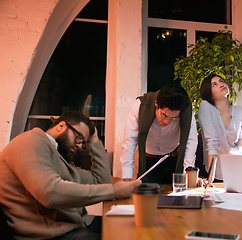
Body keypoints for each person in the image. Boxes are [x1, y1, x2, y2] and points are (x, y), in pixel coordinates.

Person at [0, 111, 141, 240]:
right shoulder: (31, 140)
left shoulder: (57, 157)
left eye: (82, 142)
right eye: (78, 138)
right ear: (61, 126)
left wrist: (94, 140)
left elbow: (101, 182)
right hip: (49, 233)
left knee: (133, 226)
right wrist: (114, 191)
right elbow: (49, 193)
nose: (80, 146)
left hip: (74, 224)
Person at [114, 84, 198, 184]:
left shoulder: (185, 110)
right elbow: (130, 141)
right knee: (147, 196)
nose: (167, 121)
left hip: (174, 160)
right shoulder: (141, 105)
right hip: (150, 162)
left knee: (177, 195)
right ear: (156, 104)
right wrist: (126, 178)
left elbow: (191, 141)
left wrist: (186, 175)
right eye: (164, 115)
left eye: (173, 118)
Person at [198, 73, 242, 181]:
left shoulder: (240, 111)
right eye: (214, 84)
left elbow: (239, 140)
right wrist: (210, 178)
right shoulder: (206, 107)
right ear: (210, 94)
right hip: (216, 172)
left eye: (221, 81)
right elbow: (212, 141)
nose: (221, 84)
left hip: (239, 169)